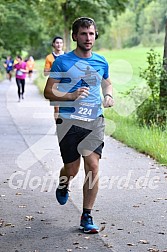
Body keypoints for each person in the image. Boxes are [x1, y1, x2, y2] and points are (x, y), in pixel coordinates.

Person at [44, 17, 114, 234]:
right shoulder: (62, 62)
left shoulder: (101, 61)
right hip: (69, 122)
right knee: (72, 168)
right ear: (75, 36)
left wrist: (108, 95)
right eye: (83, 34)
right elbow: (49, 92)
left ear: (95, 35)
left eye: (91, 33)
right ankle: (64, 183)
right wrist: (71, 95)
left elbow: (107, 81)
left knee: (92, 166)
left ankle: (87, 215)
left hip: (94, 120)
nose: (88, 38)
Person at [44, 36, 65, 122]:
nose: (59, 45)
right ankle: (58, 126)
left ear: (63, 44)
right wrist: (54, 68)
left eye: (60, 43)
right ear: (53, 44)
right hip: (54, 85)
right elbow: (45, 73)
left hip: (66, 84)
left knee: (66, 108)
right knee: (57, 108)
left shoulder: (67, 56)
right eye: (57, 43)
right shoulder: (49, 57)